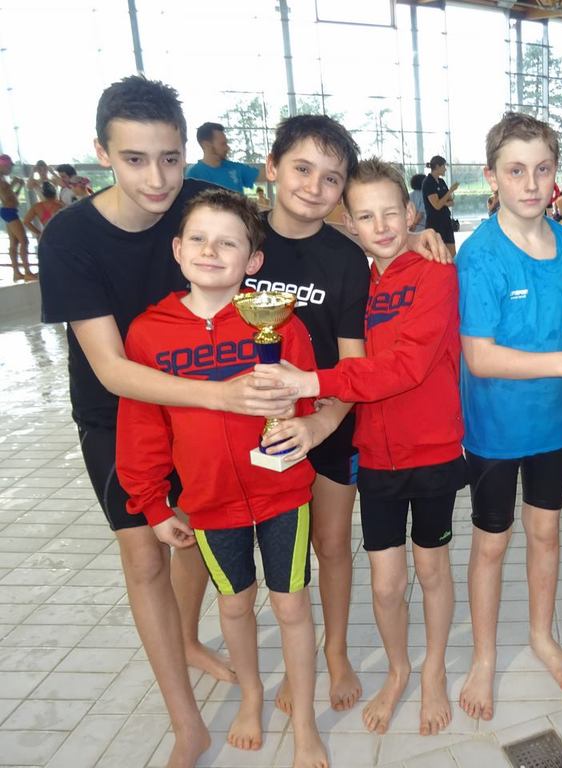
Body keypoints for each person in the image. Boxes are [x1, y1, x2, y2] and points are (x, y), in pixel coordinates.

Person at [39, 75, 301, 768]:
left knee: (195, 535)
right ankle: (188, 724)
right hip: (121, 412)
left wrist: (407, 239)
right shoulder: (70, 237)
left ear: (187, 150)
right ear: (102, 153)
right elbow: (111, 368)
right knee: (145, 554)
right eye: (134, 159)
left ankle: (187, 637)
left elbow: (286, 235)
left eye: (170, 158)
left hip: (212, 409)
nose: (156, 179)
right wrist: (218, 397)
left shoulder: (199, 205)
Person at [117, 189, 332, 768]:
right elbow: (141, 425)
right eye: (198, 239)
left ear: (252, 261)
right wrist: (152, 504)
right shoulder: (149, 333)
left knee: (292, 606)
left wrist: (301, 422)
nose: (210, 251)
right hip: (209, 502)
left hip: (283, 494)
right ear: (177, 249)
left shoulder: (279, 321)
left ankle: (305, 721)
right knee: (234, 606)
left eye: (228, 242)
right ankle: (252, 696)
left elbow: (308, 395)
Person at [254, 158, 464, 737]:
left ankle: (434, 671)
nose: (382, 226)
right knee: (386, 584)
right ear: (349, 223)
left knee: (432, 568)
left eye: (391, 213)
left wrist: (312, 382)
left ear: (411, 213)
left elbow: (406, 366)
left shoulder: (435, 275)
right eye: (366, 217)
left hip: (433, 450)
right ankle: (398, 670)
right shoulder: (357, 282)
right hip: (373, 454)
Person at [457, 111, 562, 721]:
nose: (530, 183)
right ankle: (484, 657)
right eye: (516, 170)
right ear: (492, 176)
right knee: (492, 543)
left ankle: (542, 635)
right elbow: (480, 356)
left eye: (542, 169)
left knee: (546, 532)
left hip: (553, 422)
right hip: (495, 427)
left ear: (557, 174)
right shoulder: (481, 255)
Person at [245, 114, 368, 716]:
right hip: (251, 419)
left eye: (331, 178)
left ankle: (336, 650)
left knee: (332, 543)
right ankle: (295, 655)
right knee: (277, 552)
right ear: (272, 167)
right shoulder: (240, 241)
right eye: (301, 168)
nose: (314, 187)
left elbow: (354, 361)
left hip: (327, 419)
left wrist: (324, 422)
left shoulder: (345, 260)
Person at [186, 121, 263, 193]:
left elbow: (266, 174)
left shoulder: (235, 168)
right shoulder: (194, 174)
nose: (228, 148)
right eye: (223, 144)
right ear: (206, 145)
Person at [0, 153, 31, 281]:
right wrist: (14, 183)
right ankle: (27, 272)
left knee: (14, 243)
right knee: (24, 241)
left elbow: (12, 197)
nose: (10, 169)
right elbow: (5, 195)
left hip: (9, 210)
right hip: (8, 212)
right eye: (9, 167)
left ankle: (17, 273)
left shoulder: (3, 179)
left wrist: (19, 186)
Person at [423, 155, 458, 256]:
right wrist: (450, 191)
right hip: (435, 223)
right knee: (436, 254)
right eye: (444, 166)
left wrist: (443, 202)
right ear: (438, 166)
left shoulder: (441, 182)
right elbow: (437, 206)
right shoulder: (428, 182)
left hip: (446, 220)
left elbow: (451, 202)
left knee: (452, 253)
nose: (445, 169)